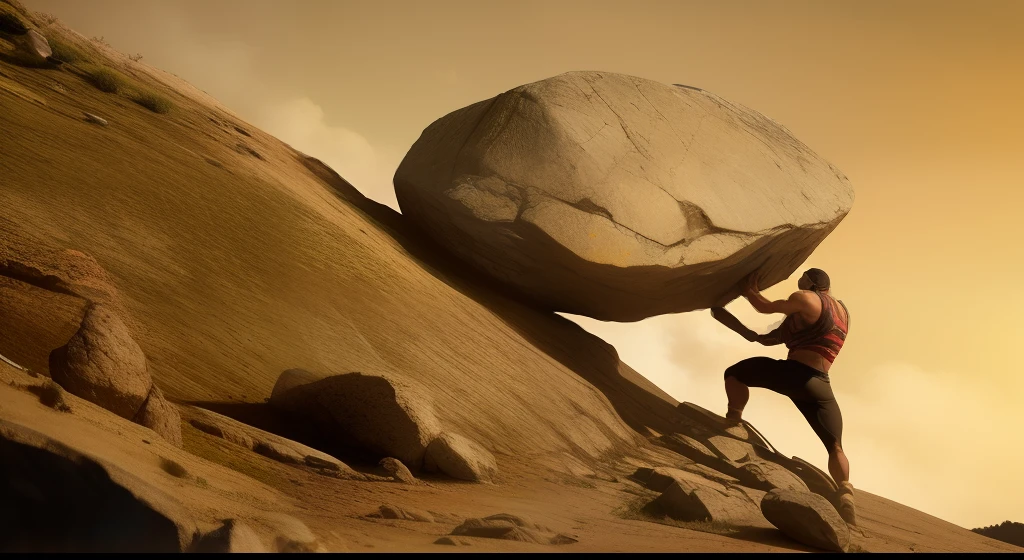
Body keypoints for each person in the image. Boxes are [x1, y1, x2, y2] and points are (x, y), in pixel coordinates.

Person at [710, 267, 856, 525]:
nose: (797, 290)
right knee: (835, 446)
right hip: (821, 387)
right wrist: (746, 331)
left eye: (801, 283)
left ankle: (733, 423)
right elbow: (766, 338)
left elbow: (765, 307)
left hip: (795, 374)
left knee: (734, 374)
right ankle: (845, 492)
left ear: (810, 284)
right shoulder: (843, 313)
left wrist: (748, 291)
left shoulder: (807, 299)